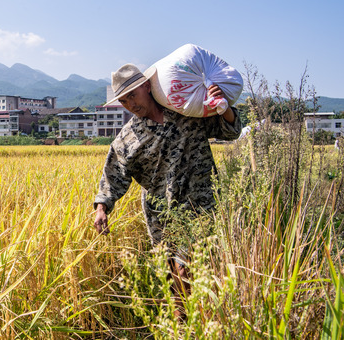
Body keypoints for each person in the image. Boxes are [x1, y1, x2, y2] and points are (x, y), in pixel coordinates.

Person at [93, 63, 242, 315]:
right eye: (124, 100)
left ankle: (199, 323)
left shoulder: (186, 112)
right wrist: (101, 208)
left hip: (202, 205)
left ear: (147, 87)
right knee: (173, 277)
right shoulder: (127, 138)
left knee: (190, 270)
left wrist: (223, 107)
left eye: (132, 94)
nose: (130, 103)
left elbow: (230, 130)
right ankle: (183, 326)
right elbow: (113, 176)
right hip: (161, 215)